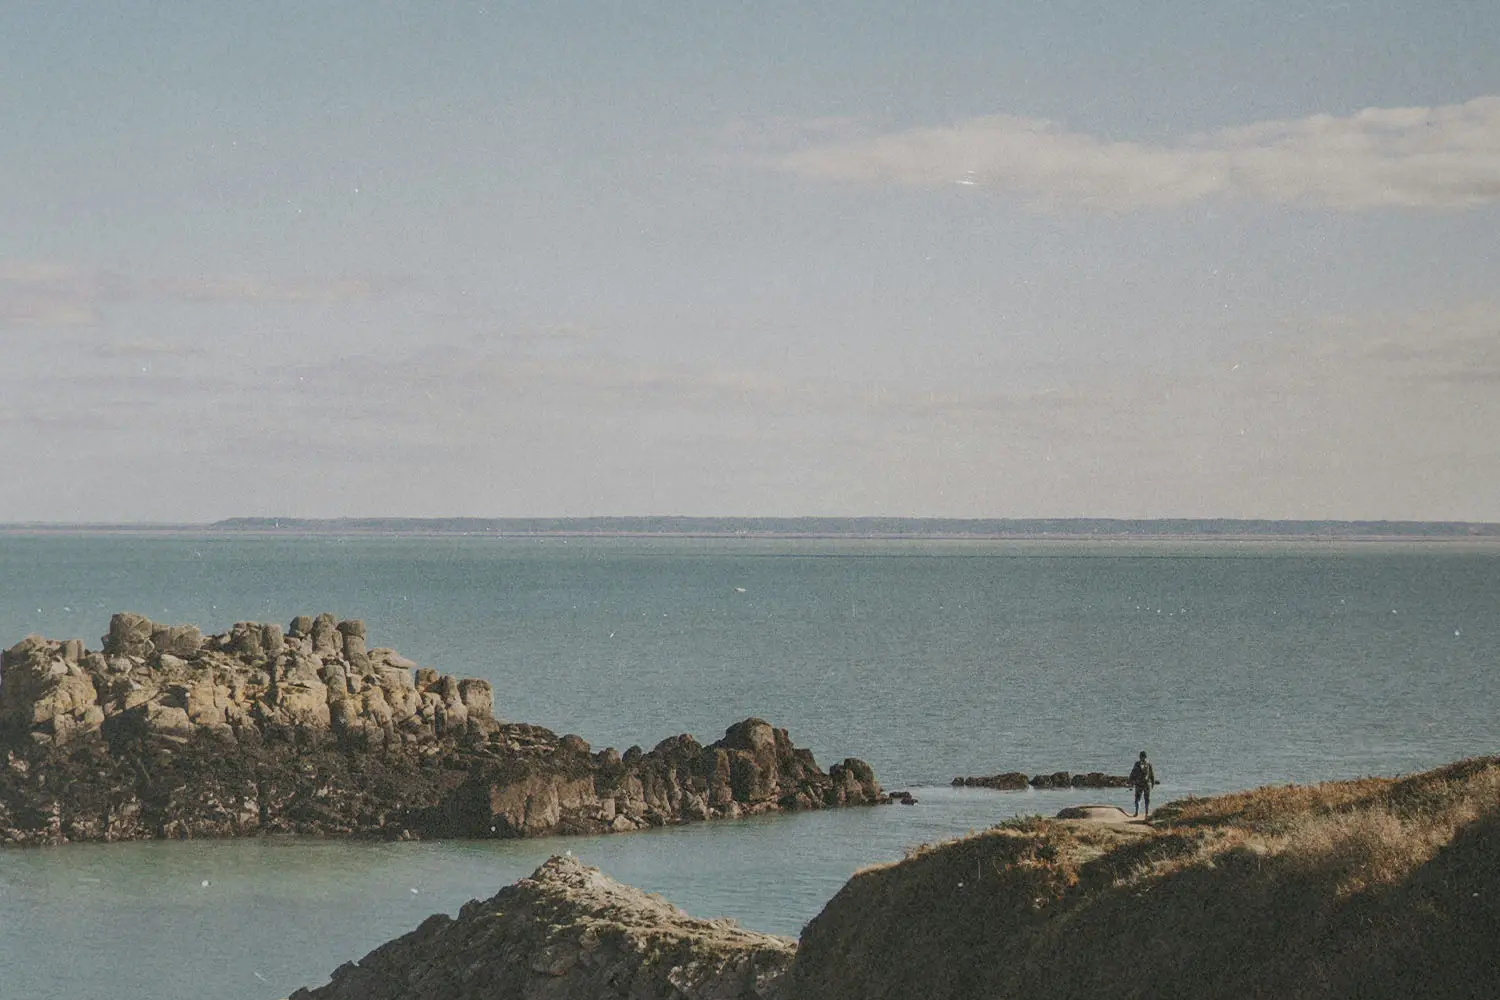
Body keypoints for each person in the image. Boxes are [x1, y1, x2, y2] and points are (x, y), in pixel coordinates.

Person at [1129, 751, 1158, 818]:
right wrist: (1153, 783)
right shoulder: (1149, 764)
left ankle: (1136, 812)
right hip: (1147, 784)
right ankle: (1146, 813)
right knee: (1147, 799)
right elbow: (1152, 774)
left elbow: (1133, 773)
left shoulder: (1137, 763)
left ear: (1140, 756)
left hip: (1139, 784)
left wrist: (1130, 781)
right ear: (1146, 756)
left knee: (1137, 798)